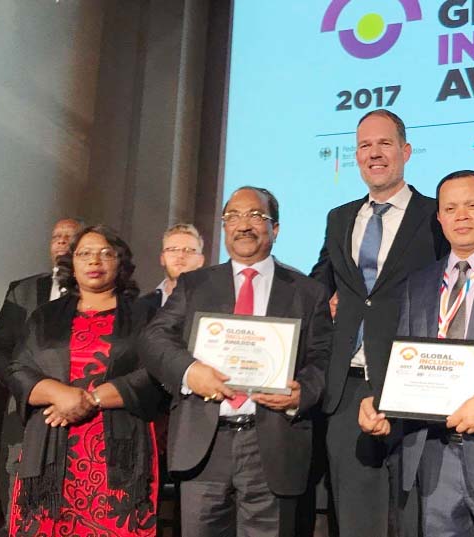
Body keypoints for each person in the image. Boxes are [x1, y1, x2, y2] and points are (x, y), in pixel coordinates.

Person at [359, 171, 474, 537]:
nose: (461, 215)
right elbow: (408, 365)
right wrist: (382, 404)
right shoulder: (418, 284)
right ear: (439, 218)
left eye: (472, 206)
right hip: (432, 460)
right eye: (450, 208)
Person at [141, 186, 332, 537]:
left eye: (256, 216)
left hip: (272, 443)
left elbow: (322, 358)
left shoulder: (307, 292)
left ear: (275, 228)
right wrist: (189, 371)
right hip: (205, 443)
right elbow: (154, 339)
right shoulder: (195, 284)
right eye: (233, 217)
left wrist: (302, 392)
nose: (244, 225)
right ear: (224, 226)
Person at [310, 109, 447, 536]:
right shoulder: (339, 216)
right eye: (365, 145)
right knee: (354, 520)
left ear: (405, 151)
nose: (375, 153)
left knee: (415, 517)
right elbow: (321, 280)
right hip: (345, 388)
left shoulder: (435, 215)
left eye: (385, 143)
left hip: (413, 384)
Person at [7, 225, 161, 536]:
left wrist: (91, 399)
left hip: (118, 448)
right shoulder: (44, 316)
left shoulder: (147, 315)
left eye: (106, 253)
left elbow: (157, 371)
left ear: (121, 263)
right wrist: (59, 394)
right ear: (71, 263)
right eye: (85, 254)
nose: (95, 261)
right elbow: (18, 368)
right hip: (50, 443)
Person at [0, 216, 83, 534]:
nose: (61, 242)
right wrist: (25, 387)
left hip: (78, 411)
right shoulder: (24, 289)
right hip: (25, 408)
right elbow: (0, 349)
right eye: (56, 236)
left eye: (70, 236)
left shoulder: (99, 291)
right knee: (17, 503)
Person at [139, 223, 205, 310]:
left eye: (189, 250)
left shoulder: (214, 303)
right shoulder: (140, 306)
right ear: (162, 258)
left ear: (201, 260)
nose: (180, 255)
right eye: (172, 250)